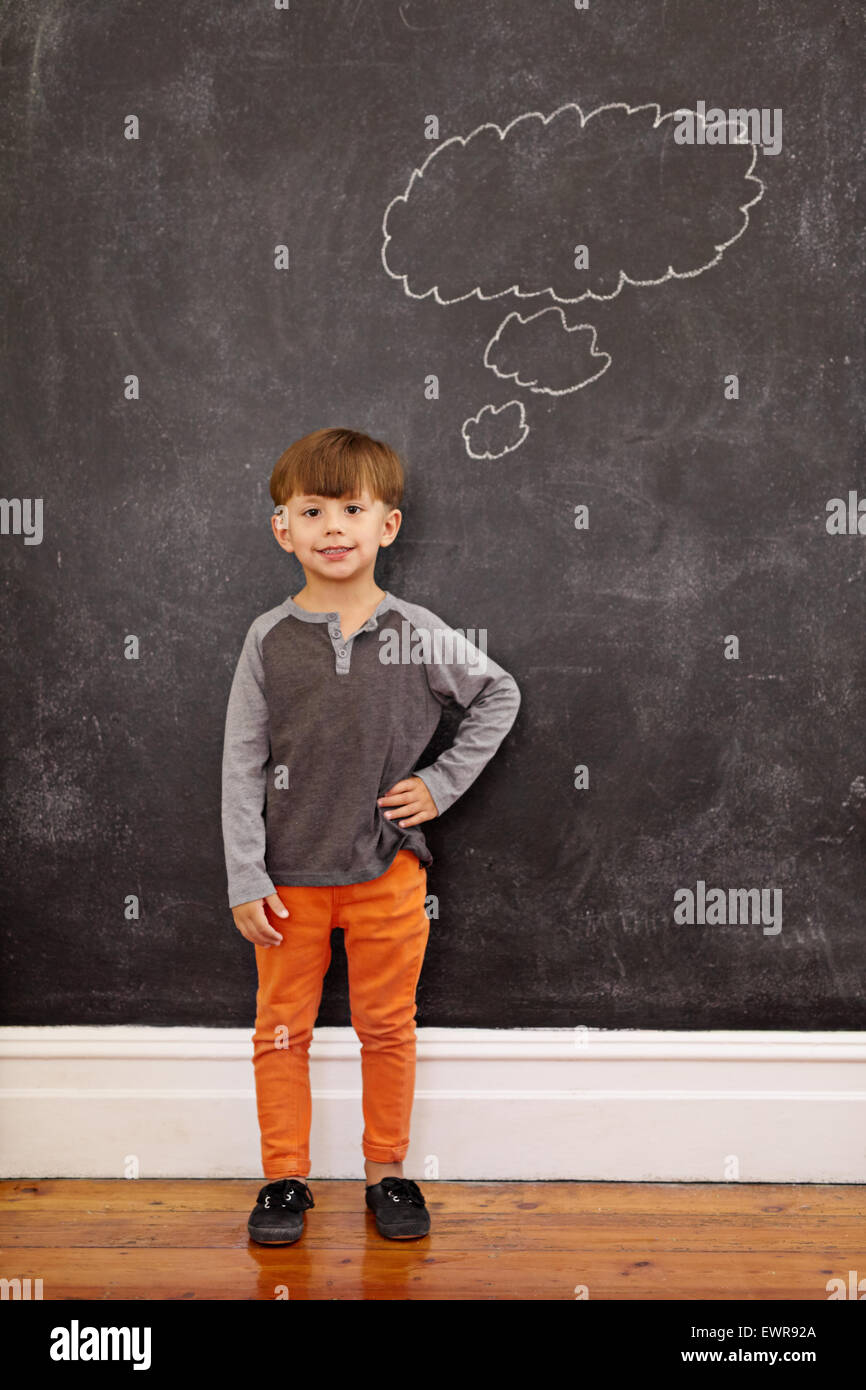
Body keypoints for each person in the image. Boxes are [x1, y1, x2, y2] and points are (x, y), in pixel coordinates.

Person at [221, 426, 521, 1243]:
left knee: (387, 1026)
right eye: (312, 509)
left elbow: (498, 695)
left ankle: (387, 1173)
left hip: (391, 875)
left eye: (353, 508)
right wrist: (246, 876)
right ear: (284, 528)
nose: (333, 527)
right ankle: (284, 1180)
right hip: (287, 883)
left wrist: (439, 783)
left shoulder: (418, 630)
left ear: (387, 525)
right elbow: (241, 765)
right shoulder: (266, 639)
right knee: (281, 1029)